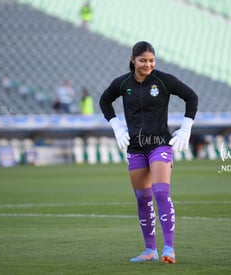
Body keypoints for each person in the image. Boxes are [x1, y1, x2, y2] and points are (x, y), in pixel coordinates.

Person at [99, 41, 198, 264]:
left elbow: (191, 97)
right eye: (143, 60)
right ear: (133, 60)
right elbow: (104, 101)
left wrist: (186, 128)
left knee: (161, 193)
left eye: (151, 60)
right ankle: (149, 250)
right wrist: (116, 126)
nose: (148, 64)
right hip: (135, 147)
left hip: (160, 144)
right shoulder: (122, 83)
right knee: (143, 199)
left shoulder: (164, 80)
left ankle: (169, 249)